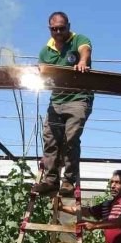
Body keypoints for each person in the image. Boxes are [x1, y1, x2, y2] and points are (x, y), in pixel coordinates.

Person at [32, 11, 93, 198]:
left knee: (70, 138)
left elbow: (85, 49)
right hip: (56, 100)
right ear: (49, 28)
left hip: (78, 98)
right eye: (54, 29)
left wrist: (82, 61)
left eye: (62, 28)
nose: (58, 32)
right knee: (50, 139)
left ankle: (68, 181)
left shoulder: (77, 40)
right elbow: (43, 73)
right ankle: (50, 180)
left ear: (68, 26)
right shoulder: (45, 51)